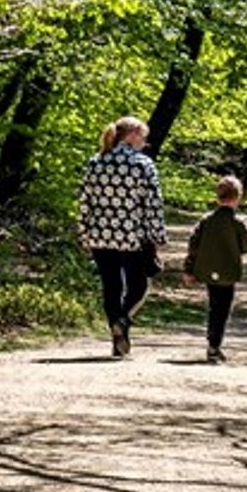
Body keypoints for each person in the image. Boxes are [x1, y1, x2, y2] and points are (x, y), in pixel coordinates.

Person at [77, 116, 166, 358]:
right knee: (139, 285)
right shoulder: (143, 165)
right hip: (131, 237)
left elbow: (85, 202)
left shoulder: (95, 162)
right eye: (143, 137)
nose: (145, 143)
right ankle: (123, 321)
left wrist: (84, 233)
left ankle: (117, 332)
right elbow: (153, 205)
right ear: (133, 134)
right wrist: (157, 236)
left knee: (111, 286)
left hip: (100, 235)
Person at [182, 175, 247, 364]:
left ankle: (212, 342)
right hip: (228, 272)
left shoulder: (206, 221)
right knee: (223, 308)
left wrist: (188, 269)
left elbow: (193, 245)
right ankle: (214, 345)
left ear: (217, 197)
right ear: (238, 197)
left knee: (214, 305)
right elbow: (246, 247)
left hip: (208, 270)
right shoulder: (238, 223)